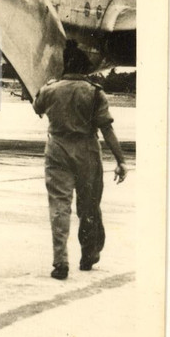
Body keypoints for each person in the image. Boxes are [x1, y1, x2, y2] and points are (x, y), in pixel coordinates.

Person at [32, 40, 129, 280]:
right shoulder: (95, 92)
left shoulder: (50, 89)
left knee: (59, 207)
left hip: (57, 150)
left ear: (64, 66)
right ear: (84, 69)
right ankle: (88, 254)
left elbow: (37, 107)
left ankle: (60, 262)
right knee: (89, 206)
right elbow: (107, 129)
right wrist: (121, 160)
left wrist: (47, 86)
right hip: (87, 151)